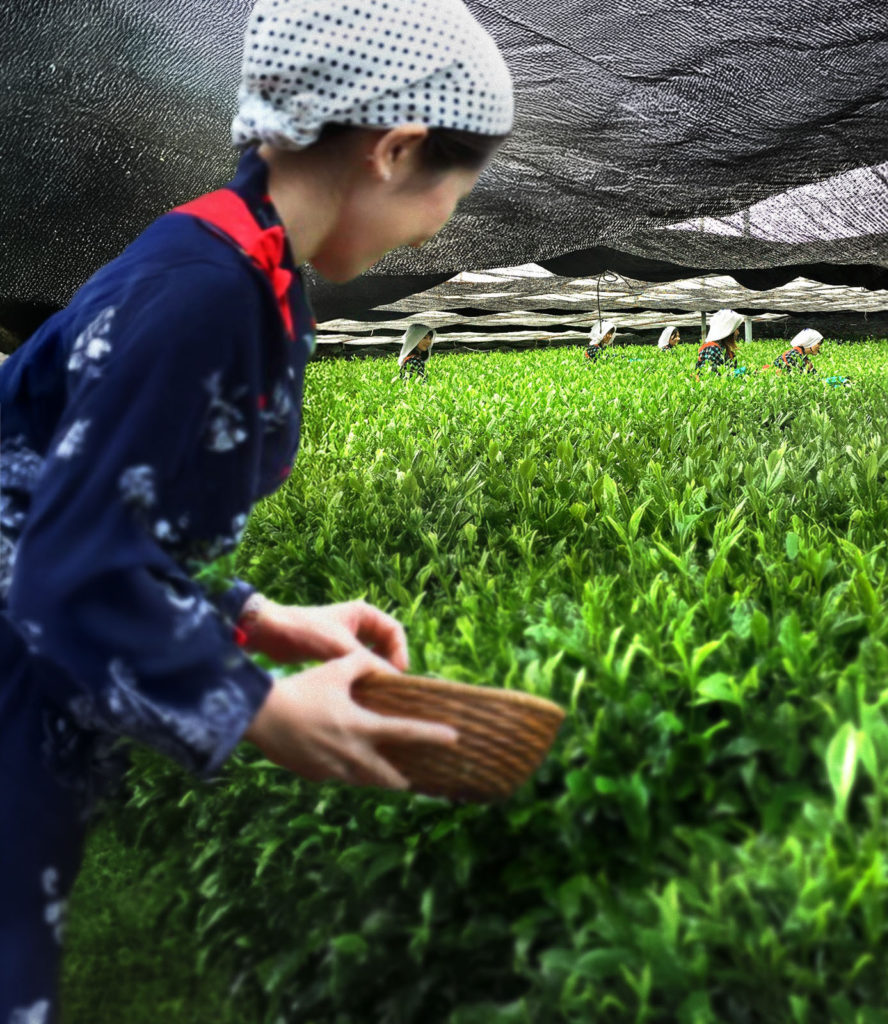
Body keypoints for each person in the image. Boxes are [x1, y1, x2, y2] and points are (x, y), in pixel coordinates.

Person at [0, 0, 514, 1016]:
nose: (441, 226)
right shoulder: (202, 289)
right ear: (397, 149)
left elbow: (94, 503)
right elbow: (59, 567)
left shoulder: (245, 272)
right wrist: (264, 708)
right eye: (453, 191)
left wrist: (253, 617)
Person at [695, 309, 744, 374]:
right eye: (736, 329)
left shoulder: (724, 349)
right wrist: (736, 373)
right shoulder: (713, 348)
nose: (738, 332)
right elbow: (713, 375)